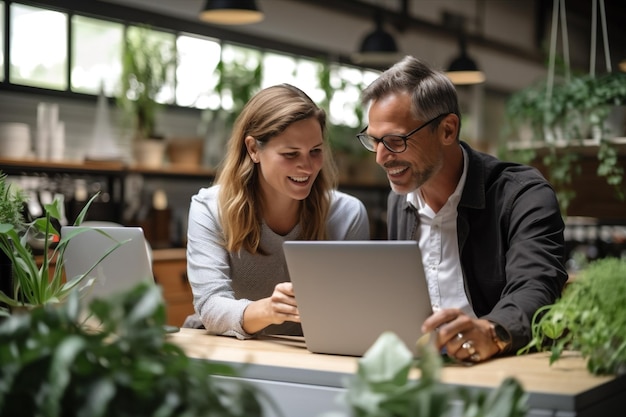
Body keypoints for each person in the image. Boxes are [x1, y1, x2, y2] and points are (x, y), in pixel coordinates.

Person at [357, 56, 567, 363]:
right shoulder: (399, 200)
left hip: (499, 367)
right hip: (424, 370)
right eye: (374, 141)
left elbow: (536, 288)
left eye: (395, 141)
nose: (380, 157)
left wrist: (492, 331)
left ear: (447, 130)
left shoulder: (522, 194)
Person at [184, 83, 370, 338]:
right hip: (231, 350)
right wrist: (270, 310)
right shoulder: (210, 208)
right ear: (253, 149)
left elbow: (356, 311)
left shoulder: (347, 215)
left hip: (307, 354)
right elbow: (210, 306)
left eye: (315, 151)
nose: (306, 166)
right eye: (290, 154)